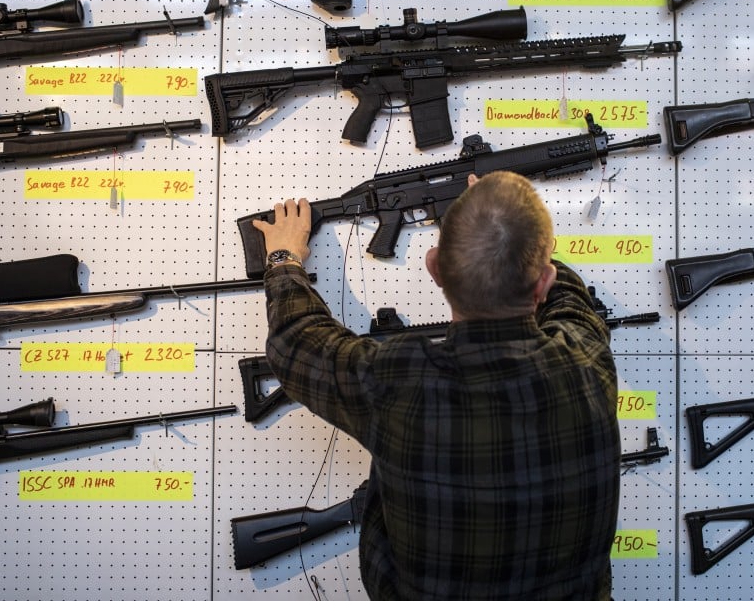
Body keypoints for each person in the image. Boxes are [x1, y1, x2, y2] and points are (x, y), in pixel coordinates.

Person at [253, 171, 621, 600]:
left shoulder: (400, 381)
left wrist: (283, 258)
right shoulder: (587, 362)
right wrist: (503, 225)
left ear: (434, 268)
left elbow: (296, 342)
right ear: (543, 280)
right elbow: (571, 301)